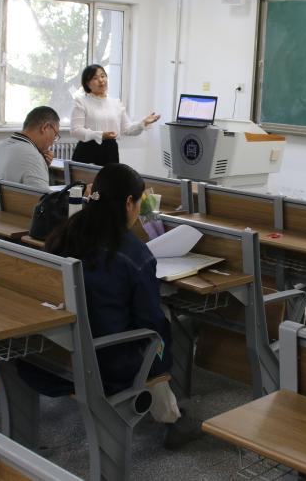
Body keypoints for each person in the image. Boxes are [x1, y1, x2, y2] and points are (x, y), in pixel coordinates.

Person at [44, 163, 201, 448]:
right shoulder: (133, 254)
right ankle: (171, 417)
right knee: (160, 329)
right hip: (106, 360)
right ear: (129, 202)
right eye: (139, 203)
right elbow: (150, 320)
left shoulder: (66, 233)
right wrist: (162, 357)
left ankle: (169, 411)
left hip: (59, 348)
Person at [70, 64, 159, 166]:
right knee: (86, 177)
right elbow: (76, 130)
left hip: (110, 151)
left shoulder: (115, 103)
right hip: (87, 150)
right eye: (95, 78)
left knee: (111, 177)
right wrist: (101, 135)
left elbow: (127, 129)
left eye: (103, 76)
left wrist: (143, 123)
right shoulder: (81, 102)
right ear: (87, 84)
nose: (101, 80)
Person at [0, 106, 59, 190]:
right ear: (45, 128)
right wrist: (39, 161)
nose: (52, 142)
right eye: (55, 135)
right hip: (18, 198)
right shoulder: (32, 156)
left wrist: (43, 164)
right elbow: (43, 196)